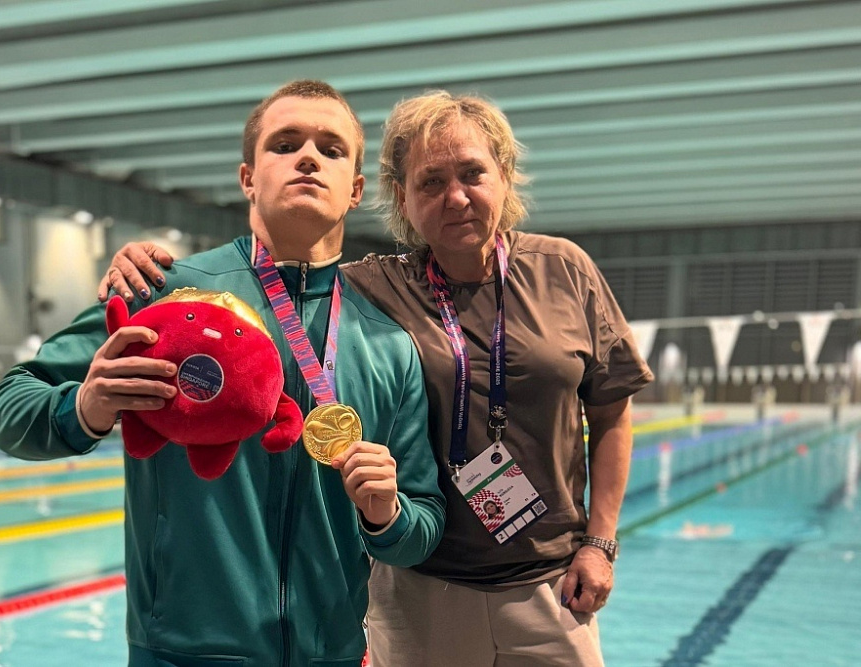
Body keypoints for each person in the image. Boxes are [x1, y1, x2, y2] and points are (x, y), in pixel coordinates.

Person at [103, 91, 653, 666]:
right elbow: (286, 280)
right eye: (431, 182)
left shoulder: (563, 270)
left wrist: (600, 542)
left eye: (473, 173)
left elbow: (612, 411)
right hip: (421, 588)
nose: (456, 197)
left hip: (551, 581)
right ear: (402, 198)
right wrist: (148, 268)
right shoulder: (373, 287)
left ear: (504, 176)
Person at [0, 80, 445, 667]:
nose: (308, 157)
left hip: (331, 655)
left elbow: (424, 524)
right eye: (285, 144)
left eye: (331, 150)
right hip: (181, 654)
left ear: (355, 189)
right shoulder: (166, 292)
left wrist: (388, 515)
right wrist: (85, 407)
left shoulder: (388, 343)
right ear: (248, 177)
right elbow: (9, 407)